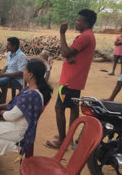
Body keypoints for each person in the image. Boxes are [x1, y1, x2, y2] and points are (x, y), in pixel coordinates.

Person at [0, 60, 53, 173]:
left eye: (25, 70)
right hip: (17, 125)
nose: (23, 72)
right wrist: (0, 107)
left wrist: (0, 112)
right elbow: (13, 103)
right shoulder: (30, 90)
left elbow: (12, 116)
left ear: (30, 75)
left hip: (18, 131)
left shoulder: (31, 95)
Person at [45, 9, 97, 149]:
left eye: (79, 20)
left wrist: (62, 33)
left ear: (86, 23)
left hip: (69, 81)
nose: (76, 22)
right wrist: (69, 56)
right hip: (75, 80)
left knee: (59, 108)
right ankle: (69, 137)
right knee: (73, 109)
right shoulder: (88, 36)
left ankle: (62, 141)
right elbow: (70, 55)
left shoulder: (85, 36)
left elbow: (66, 52)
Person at [0, 37, 27, 108]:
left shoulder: (21, 56)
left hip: (15, 79)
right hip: (7, 75)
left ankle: (0, 101)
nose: (7, 46)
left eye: (9, 44)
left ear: (14, 46)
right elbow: (6, 65)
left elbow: (20, 73)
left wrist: (4, 74)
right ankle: (1, 99)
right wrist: (1, 73)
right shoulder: (10, 53)